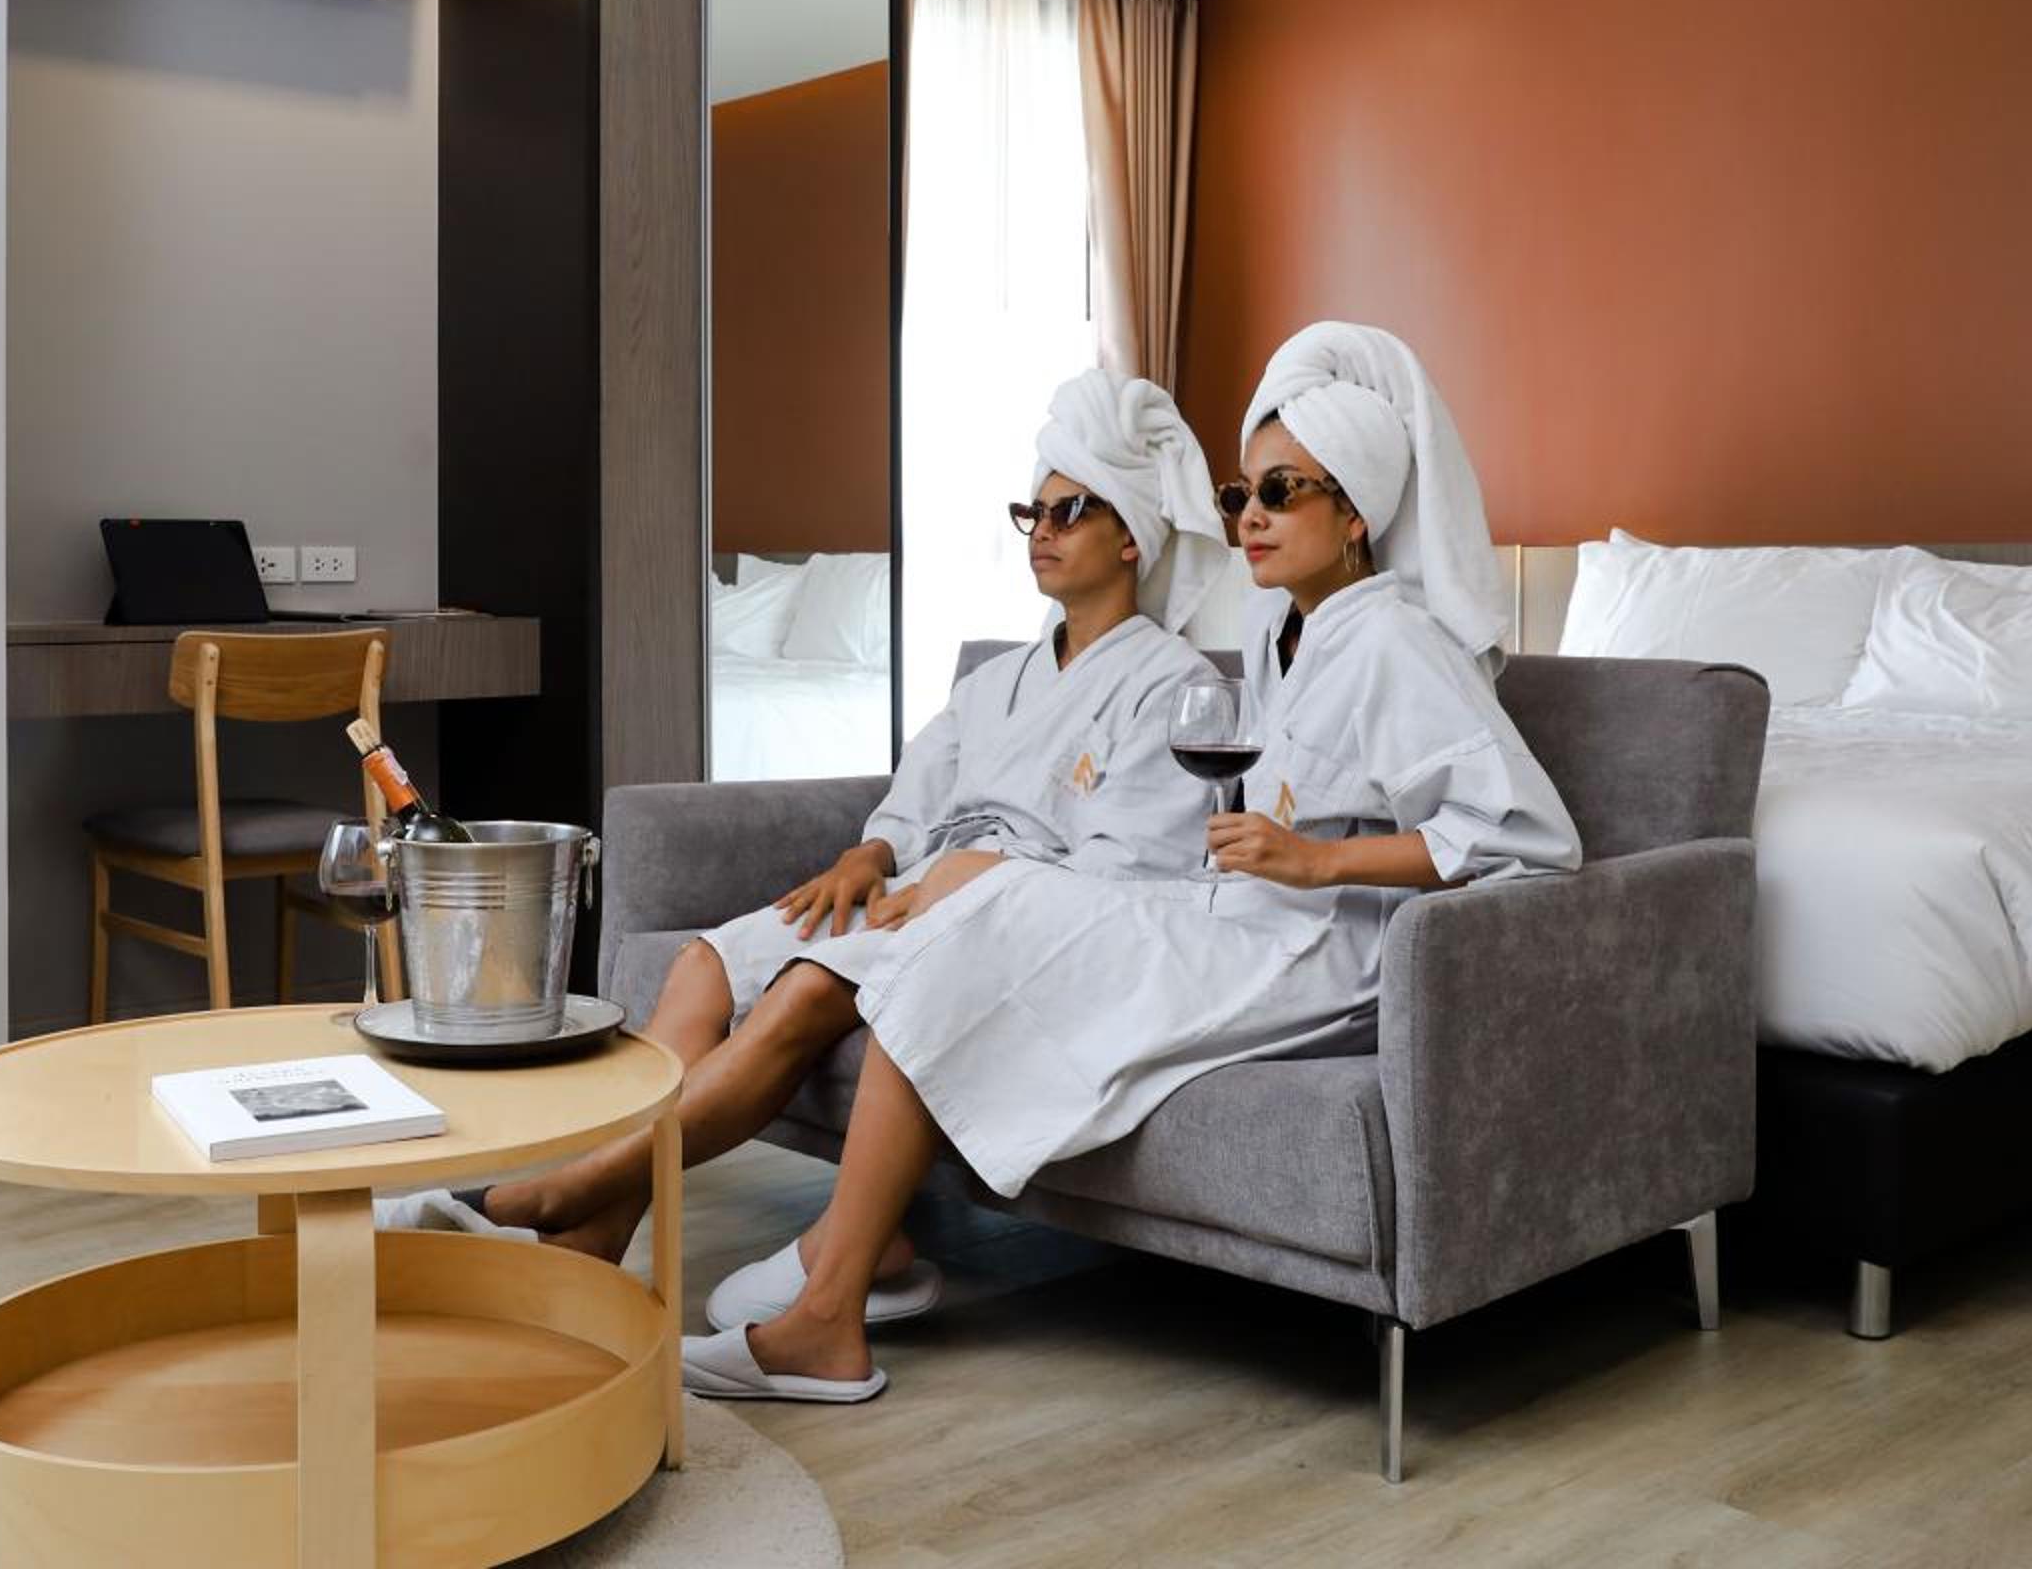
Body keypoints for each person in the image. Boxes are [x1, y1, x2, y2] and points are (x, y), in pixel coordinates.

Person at [678, 321, 1583, 1404]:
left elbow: (1523, 835)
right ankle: (837, 1292)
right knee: (980, 921)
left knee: (1002, 915)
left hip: (1321, 949)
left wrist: (1316, 861)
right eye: (1242, 492)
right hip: (1236, 914)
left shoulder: (1395, 641)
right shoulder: (1282, 636)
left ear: (1355, 513)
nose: (1249, 516)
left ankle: (828, 1304)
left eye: (1281, 491)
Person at [379, 366, 1231, 1316]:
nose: (1042, 531)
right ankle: (596, 1234)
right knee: (707, 963)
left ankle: (556, 1194)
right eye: (1032, 511)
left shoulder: (1172, 684)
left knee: (805, 986)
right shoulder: (1001, 678)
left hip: (1008, 920)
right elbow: (916, 795)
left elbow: (1123, 875)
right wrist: (869, 857)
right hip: (916, 892)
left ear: (1131, 534)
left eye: (1069, 511)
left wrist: (964, 882)